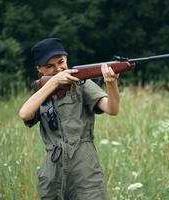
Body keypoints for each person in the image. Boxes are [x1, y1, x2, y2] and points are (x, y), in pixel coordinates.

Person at [19, 38, 120, 200]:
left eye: (61, 62)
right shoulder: (41, 93)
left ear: (67, 60)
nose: (58, 69)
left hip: (84, 167)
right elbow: (24, 114)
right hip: (53, 172)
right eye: (50, 66)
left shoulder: (82, 84)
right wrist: (54, 83)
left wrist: (112, 84)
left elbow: (112, 109)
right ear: (39, 69)